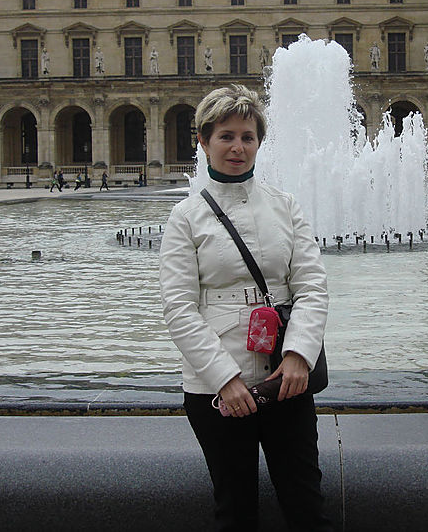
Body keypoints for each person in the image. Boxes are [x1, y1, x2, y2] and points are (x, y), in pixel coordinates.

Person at [160, 85, 331, 531]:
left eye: (247, 137)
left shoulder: (285, 206)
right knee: (235, 512)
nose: (238, 147)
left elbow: (312, 287)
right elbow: (179, 308)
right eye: (226, 136)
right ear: (204, 141)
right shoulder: (185, 217)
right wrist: (225, 379)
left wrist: (299, 356)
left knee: (307, 506)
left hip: (286, 379)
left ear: (259, 142)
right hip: (217, 388)